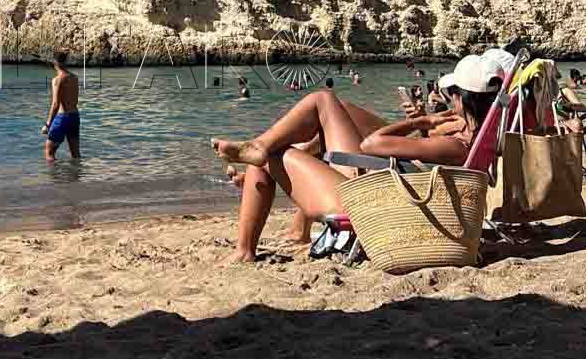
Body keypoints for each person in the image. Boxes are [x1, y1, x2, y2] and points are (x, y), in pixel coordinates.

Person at [213, 54, 504, 262]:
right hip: (392, 193)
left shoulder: (458, 145)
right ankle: (269, 154)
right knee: (339, 107)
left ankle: (244, 250)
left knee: (278, 146)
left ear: (460, 98)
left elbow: (372, 143)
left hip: (371, 205)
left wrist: (419, 124)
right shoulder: (479, 140)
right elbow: (421, 162)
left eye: (451, 93)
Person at [41, 52, 80, 161]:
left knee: (49, 151)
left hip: (62, 117)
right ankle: (76, 176)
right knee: (75, 154)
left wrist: (47, 124)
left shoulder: (57, 80)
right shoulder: (74, 78)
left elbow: (55, 104)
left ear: (54, 63)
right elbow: (75, 100)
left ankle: (54, 177)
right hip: (75, 116)